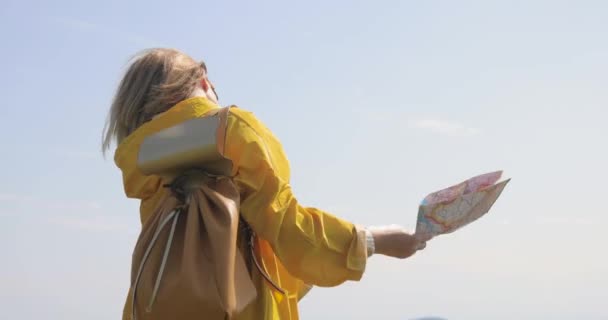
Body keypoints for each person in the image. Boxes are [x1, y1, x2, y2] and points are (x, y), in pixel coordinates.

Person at [102, 48, 425, 320]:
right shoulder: (228, 129)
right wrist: (374, 241)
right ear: (203, 83)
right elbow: (287, 227)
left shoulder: (144, 160)